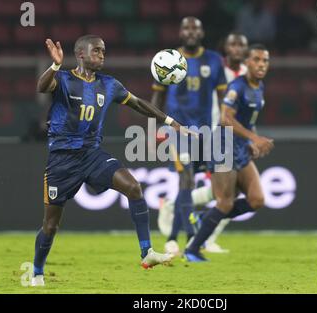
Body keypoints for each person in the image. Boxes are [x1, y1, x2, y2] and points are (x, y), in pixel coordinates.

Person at [31, 35, 195, 286]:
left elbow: (139, 104)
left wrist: (172, 122)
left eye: (104, 51)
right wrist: (54, 66)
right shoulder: (63, 79)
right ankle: (37, 271)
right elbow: (42, 87)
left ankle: (147, 252)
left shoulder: (109, 85)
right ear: (81, 54)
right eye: (96, 50)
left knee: (133, 187)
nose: (102, 55)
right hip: (61, 160)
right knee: (51, 226)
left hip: (92, 155)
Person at [158, 33, 250, 253]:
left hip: (232, 136)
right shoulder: (215, 67)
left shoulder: (247, 73)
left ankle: (201, 231)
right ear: (224, 49)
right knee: (195, 183)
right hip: (209, 131)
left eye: (241, 45)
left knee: (230, 191)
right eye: (233, 44)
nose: (237, 49)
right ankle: (182, 230)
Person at [185, 44, 275, 262]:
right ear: (247, 63)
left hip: (240, 147)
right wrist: (254, 138)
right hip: (222, 146)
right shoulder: (238, 86)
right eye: (256, 60)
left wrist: (251, 140)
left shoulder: (259, 87)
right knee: (225, 202)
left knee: (257, 200)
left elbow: (247, 122)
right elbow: (225, 118)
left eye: (265, 60)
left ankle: (204, 218)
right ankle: (192, 250)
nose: (261, 64)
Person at [151, 17, 227, 256]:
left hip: (206, 132)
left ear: (202, 32)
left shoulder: (214, 60)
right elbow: (157, 99)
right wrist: (153, 128)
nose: (191, 32)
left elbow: (224, 100)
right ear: (180, 32)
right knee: (186, 181)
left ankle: (174, 230)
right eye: (187, 28)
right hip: (178, 131)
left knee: (214, 188)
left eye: (195, 28)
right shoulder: (168, 59)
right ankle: (185, 238)